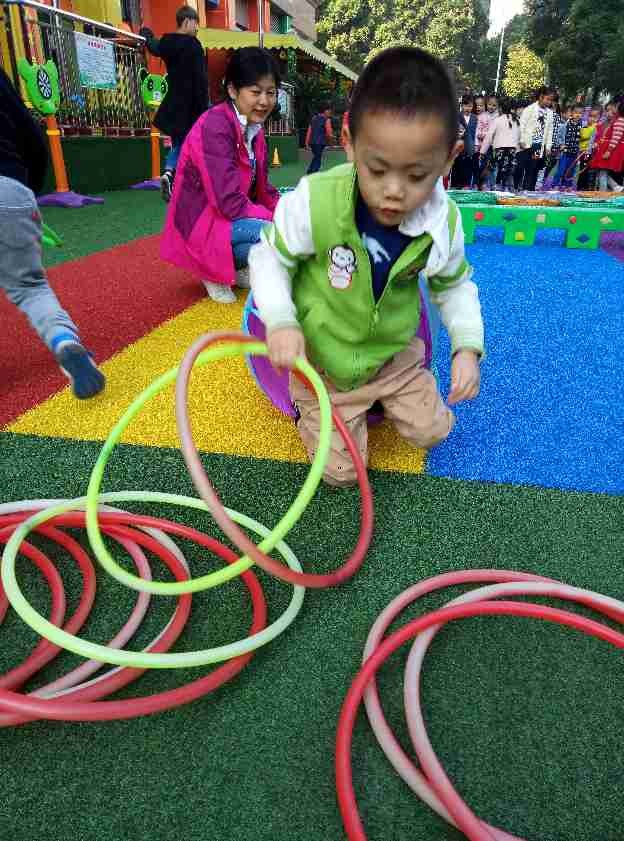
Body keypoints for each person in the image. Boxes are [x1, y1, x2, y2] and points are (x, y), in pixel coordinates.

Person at [249, 47, 484, 487]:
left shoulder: (444, 221)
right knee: (340, 475)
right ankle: (311, 406)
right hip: (323, 363)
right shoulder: (314, 200)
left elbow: (454, 287)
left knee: (435, 430)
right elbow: (269, 258)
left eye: (417, 176)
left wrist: (467, 348)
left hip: (393, 358)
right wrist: (280, 321)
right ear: (349, 141)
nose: (394, 191)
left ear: (450, 158)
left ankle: (382, 399)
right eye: (377, 170)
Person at [0, 67, 105, 399]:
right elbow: (32, 136)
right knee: (30, 287)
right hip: (9, 187)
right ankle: (64, 341)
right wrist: (24, 188)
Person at [160, 47, 280, 304]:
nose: (264, 101)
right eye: (256, 92)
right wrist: (281, 221)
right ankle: (211, 270)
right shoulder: (215, 125)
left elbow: (264, 190)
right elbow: (228, 202)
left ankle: (235, 266)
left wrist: (292, 212)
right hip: (202, 221)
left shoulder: (255, 130)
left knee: (289, 231)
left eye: (271, 92)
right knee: (280, 235)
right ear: (233, 90)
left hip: (227, 218)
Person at [140, 5, 209, 202]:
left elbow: (154, 47)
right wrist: (204, 108)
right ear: (187, 21)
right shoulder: (194, 46)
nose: (197, 28)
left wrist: (146, 34)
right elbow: (201, 80)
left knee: (179, 141)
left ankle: (170, 172)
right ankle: (180, 177)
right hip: (192, 104)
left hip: (174, 103)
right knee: (193, 142)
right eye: (195, 23)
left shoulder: (168, 42)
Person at [516, 86, 555, 191]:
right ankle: (518, 187)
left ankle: (529, 189)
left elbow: (550, 130)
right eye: (547, 99)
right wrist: (521, 140)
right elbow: (522, 125)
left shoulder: (550, 113)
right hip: (527, 145)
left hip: (538, 146)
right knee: (522, 166)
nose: (549, 102)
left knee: (533, 168)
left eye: (551, 100)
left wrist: (548, 147)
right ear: (541, 97)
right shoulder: (530, 109)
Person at [480, 98, 520, 191]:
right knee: (509, 171)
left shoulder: (497, 120)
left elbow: (489, 136)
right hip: (512, 150)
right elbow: (519, 136)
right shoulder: (516, 120)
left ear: (500, 108)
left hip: (499, 150)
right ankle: (510, 189)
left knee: (490, 168)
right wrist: (517, 150)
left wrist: (482, 151)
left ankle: (490, 186)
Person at [589, 100, 624, 192]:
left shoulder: (619, 121)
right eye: (607, 110)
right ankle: (615, 187)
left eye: (614, 108)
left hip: (609, 151)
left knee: (602, 172)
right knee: (602, 172)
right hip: (605, 149)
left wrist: (609, 151)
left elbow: (615, 138)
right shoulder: (612, 122)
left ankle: (603, 193)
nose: (610, 112)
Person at [552, 104, 583, 189]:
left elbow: (583, 138)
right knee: (561, 170)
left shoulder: (582, 126)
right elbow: (558, 136)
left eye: (580, 113)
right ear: (571, 113)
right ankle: (555, 185)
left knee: (570, 171)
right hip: (565, 152)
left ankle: (567, 185)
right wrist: (561, 144)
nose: (578, 115)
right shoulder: (565, 125)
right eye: (576, 112)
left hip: (574, 153)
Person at [450, 95, 476, 188]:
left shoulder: (474, 118)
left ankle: (466, 187)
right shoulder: (457, 116)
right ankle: (454, 187)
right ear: (462, 105)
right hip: (458, 148)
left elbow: (475, 133)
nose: (468, 108)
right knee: (456, 169)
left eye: (470, 106)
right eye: (466, 106)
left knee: (467, 170)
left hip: (469, 148)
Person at [577, 106, 601, 191]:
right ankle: (581, 186)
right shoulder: (585, 126)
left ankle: (586, 186)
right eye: (590, 116)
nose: (592, 118)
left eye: (594, 117)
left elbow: (586, 136)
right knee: (582, 168)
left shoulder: (595, 127)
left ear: (598, 118)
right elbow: (581, 136)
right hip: (583, 151)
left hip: (589, 152)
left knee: (587, 169)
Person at [306, 104, 334, 175]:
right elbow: (329, 133)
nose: (330, 112)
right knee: (317, 158)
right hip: (320, 142)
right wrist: (331, 142)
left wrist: (307, 142)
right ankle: (313, 173)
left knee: (316, 157)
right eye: (329, 110)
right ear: (325, 111)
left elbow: (309, 130)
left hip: (312, 142)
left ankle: (310, 171)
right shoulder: (327, 120)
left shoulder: (313, 118)